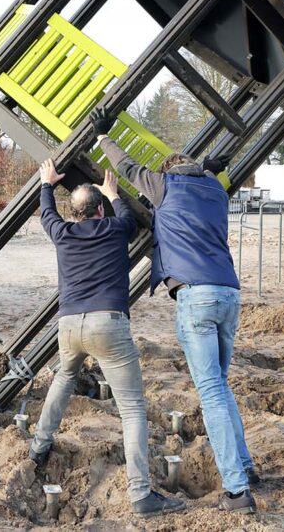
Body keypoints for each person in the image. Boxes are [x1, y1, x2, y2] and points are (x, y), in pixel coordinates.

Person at [90, 107, 258, 515]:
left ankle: (237, 491)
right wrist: (210, 166)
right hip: (229, 294)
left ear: (168, 171)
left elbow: (127, 167)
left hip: (196, 297)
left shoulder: (165, 186)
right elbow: (213, 173)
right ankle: (247, 470)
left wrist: (102, 137)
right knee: (221, 385)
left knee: (213, 391)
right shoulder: (217, 191)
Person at [28, 159, 186, 519]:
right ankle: (141, 494)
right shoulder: (116, 229)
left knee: (63, 379)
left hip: (68, 325)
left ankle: (39, 446)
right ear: (100, 210)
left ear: (76, 214)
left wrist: (47, 183)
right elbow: (129, 219)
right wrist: (114, 193)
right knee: (131, 410)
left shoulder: (62, 234)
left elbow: (47, 213)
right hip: (108, 324)